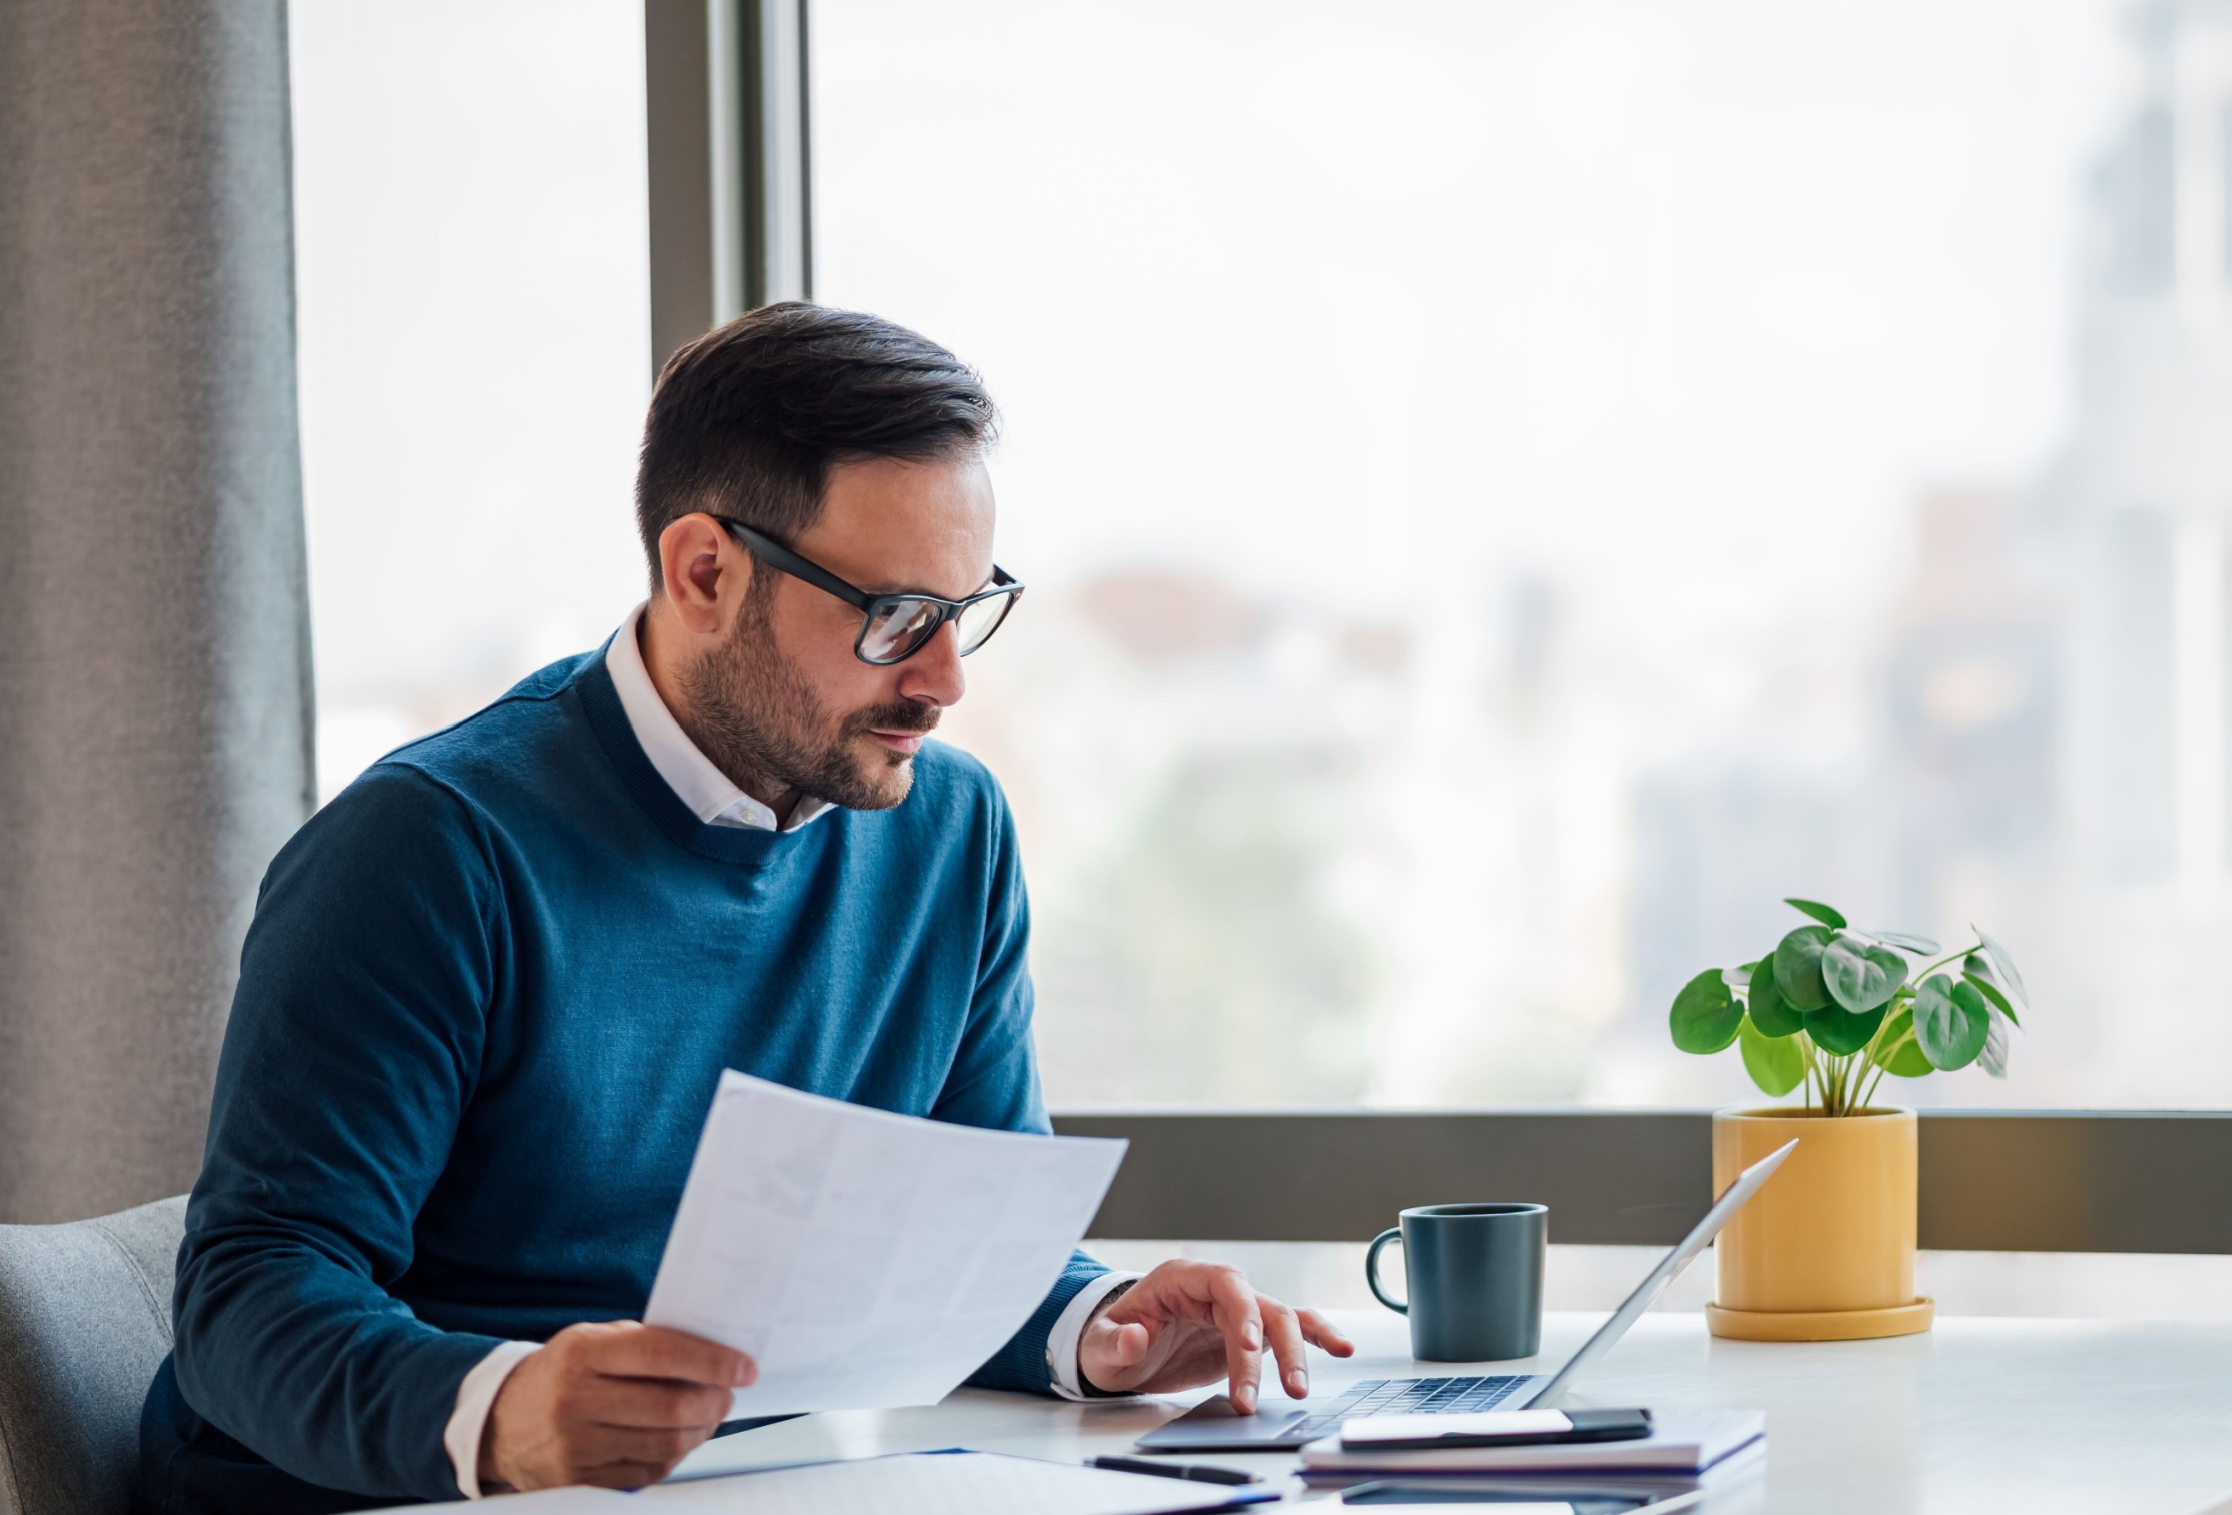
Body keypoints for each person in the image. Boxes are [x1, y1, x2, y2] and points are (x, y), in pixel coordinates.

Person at [136, 303, 1353, 1513]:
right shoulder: (428, 848)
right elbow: (252, 1296)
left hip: (739, 1487)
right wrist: (509, 1408)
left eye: (965, 609)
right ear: (704, 571)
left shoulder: (948, 830)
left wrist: (1097, 1324)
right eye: (896, 618)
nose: (944, 681)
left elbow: (953, 1247)